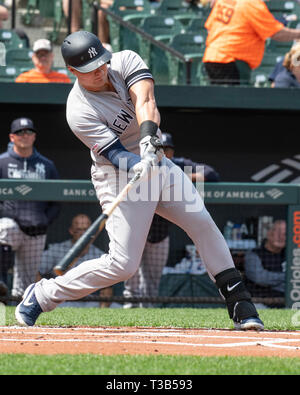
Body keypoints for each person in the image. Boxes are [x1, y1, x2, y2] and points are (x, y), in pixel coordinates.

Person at [15, 30, 264, 331]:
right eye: (90, 71)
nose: (100, 71)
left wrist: (148, 142)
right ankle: (42, 295)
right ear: (72, 72)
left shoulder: (125, 60)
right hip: (118, 175)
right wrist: (136, 162)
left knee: (201, 222)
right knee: (122, 265)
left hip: (157, 161)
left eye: (101, 64)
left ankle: (240, 304)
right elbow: (115, 154)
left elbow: (146, 99)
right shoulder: (78, 110)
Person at [123, 132, 220, 308]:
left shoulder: (179, 166)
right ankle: (129, 308)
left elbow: (211, 173)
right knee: (131, 276)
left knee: (152, 282)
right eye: (159, 149)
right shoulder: (140, 163)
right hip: (136, 227)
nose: (163, 153)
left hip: (159, 233)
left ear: (172, 152)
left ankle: (147, 313)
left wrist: (179, 178)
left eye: (167, 149)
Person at [0, 117, 60, 298]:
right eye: (20, 133)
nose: (25, 136)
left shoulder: (47, 165)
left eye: (29, 132)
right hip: (12, 224)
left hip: (36, 229)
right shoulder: (2, 162)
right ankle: (1, 280)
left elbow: (57, 201)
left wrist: (44, 221)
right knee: (4, 228)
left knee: (24, 286)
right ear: (12, 137)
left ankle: (18, 324)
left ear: (34, 136)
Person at [203, 0, 300, 85]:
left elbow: (210, 26)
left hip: (212, 57)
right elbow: (276, 33)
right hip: (231, 60)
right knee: (234, 102)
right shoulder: (252, 4)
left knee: (221, 101)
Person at [38, 213, 112, 308]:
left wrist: (102, 310)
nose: (82, 233)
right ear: (71, 231)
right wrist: (44, 298)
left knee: (117, 307)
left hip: (90, 302)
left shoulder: (99, 255)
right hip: (62, 301)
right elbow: (37, 271)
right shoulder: (56, 250)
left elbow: (107, 287)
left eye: (86, 230)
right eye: (78, 230)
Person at [244, 220, 286, 302]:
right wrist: (287, 277)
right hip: (259, 301)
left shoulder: (291, 254)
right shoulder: (253, 253)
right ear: (269, 233)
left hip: (287, 302)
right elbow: (259, 278)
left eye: (285, 234)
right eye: (277, 232)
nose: (281, 236)